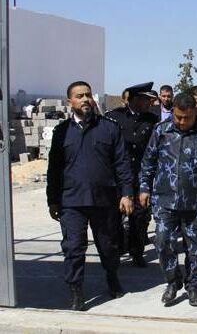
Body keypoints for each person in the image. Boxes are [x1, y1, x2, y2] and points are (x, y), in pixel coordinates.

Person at [46, 81, 134, 311]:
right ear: (70, 102)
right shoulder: (61, 132)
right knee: (73, 248)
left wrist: (126, 193)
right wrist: (52, 200)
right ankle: (76, 291)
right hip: (71, 201)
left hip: (104, 200)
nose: (85, 99)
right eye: (79, 96)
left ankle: (112, 277)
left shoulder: (109, 128)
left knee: (108, 246)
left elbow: (122, 163)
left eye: (88, 95)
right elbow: (54, 169)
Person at [138, 93, 197, 307]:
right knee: (162, 242)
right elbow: (148, 161)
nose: (181, 122)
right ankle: (172, 281)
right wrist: (144, 188)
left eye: (186, 118)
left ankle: (194, 286)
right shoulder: (161, 130)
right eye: (177, 117)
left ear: (195, 113)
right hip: (165, 200)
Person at [105, 82, 159, 267]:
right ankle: (119, 247)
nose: (150, 103)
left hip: (141, 176)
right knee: (114, 215)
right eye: (146, 100)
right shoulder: (113, 117)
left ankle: (137, 252)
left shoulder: (152, 120)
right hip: (118, 176)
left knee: (140, 216)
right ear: (135, 99)